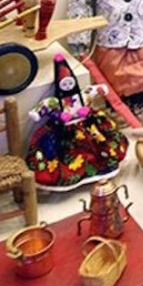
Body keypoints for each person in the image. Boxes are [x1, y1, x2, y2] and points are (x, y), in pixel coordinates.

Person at [26, 55, 127, 189]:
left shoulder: (82, 95)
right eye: (64, 84)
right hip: (65, 130)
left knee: (98, 147)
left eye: (70, 83)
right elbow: (44, 107)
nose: (68, 86)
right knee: (68, 154)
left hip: (86, 126)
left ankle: (100, 168)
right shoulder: (55, 101)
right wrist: (55, 115)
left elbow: (93, 90)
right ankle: (72, 176)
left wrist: (100, 91)